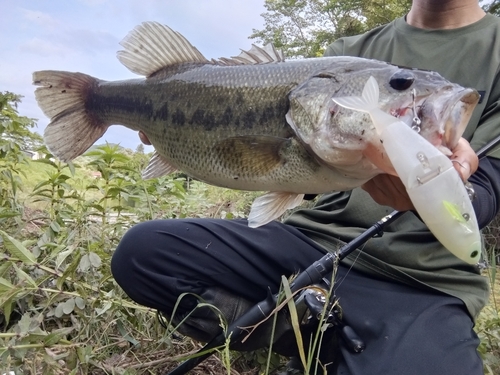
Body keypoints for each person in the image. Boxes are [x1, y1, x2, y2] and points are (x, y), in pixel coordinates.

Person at [111, 1, 500, 374]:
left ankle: (331, 339)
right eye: (400, 85)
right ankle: (315, 336)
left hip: (420, 282)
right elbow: (303, 170)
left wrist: (438, 191)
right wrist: (182, 128)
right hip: (310, 246)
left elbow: (486, 193)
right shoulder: (350, 51)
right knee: (144, 253)